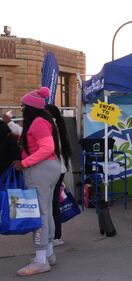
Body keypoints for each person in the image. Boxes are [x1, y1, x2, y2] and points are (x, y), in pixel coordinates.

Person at [14, 87, 61, 276]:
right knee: (46, 210)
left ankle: (41, 260)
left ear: (30, 107)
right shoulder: (42, 121)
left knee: (39, 213)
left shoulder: (38, 123)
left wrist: (25, 162)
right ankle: (48, 254)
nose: (22, 109)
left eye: (23, 106)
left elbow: (47, 147)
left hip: (39, 170)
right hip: (49, 169)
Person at [45, 104, 72, 246]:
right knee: (52, 203)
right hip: (59, 168)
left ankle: (56, 236)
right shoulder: (59, 127)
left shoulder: (52, 128)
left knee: (52, 203)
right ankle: (55, 235)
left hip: (55, 169)